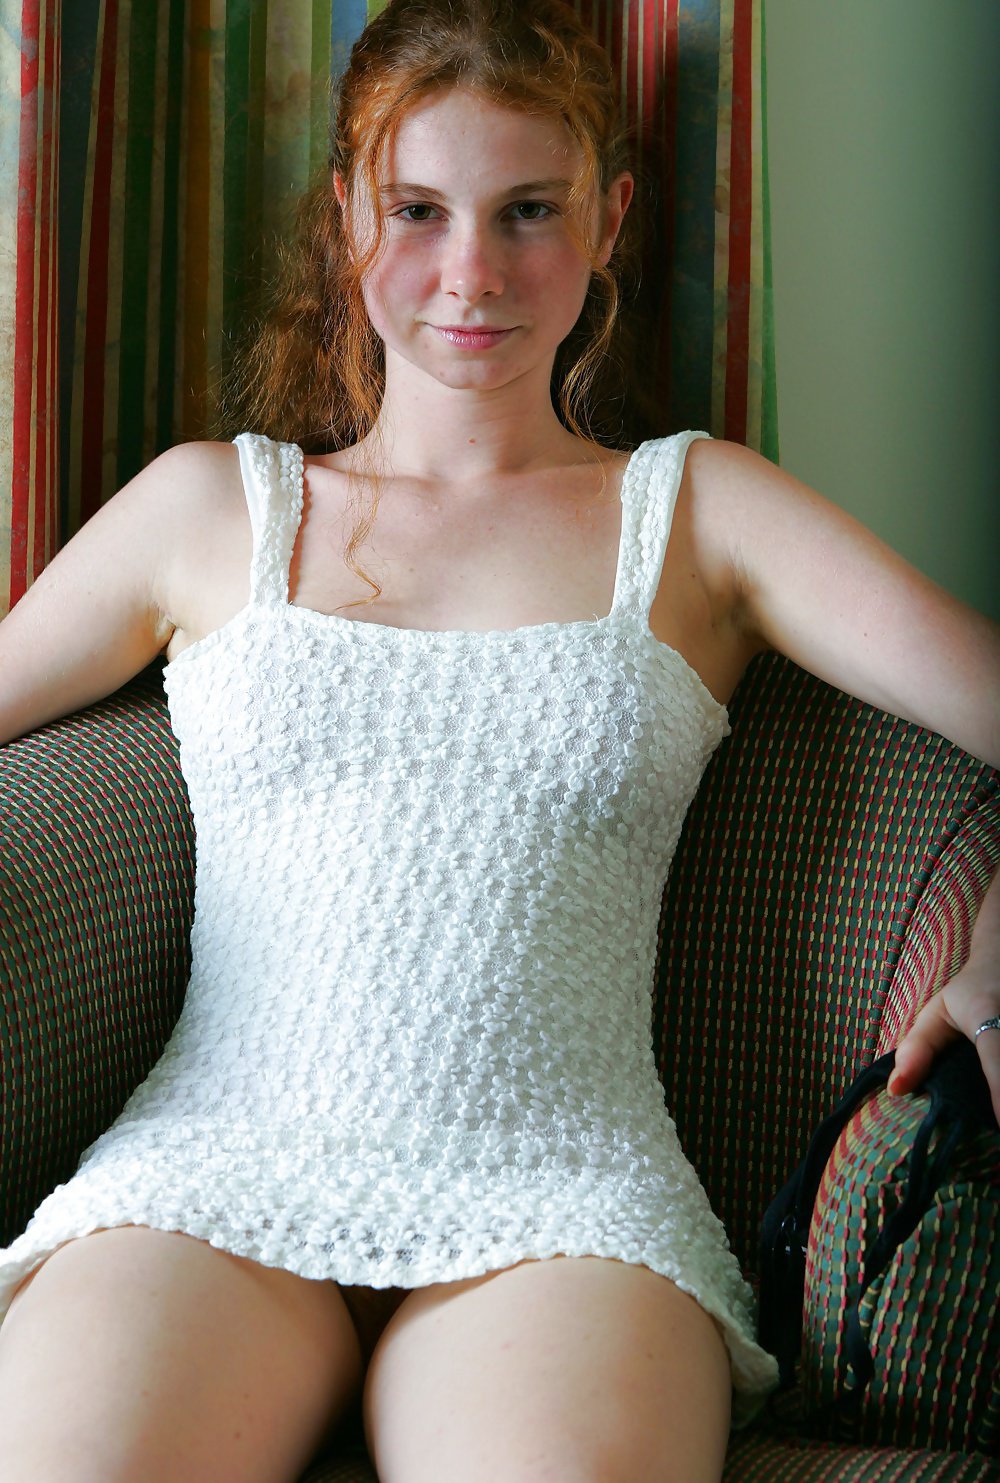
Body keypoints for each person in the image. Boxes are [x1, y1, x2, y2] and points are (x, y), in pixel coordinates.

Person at [0, 1, 997, 1480]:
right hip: (210, 1175)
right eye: (419, 210)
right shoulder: (209, 505)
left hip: (559, 1207)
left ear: (611, 219)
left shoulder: (699, 509)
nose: (472, 273)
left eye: (529, 210)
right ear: (348, 216)